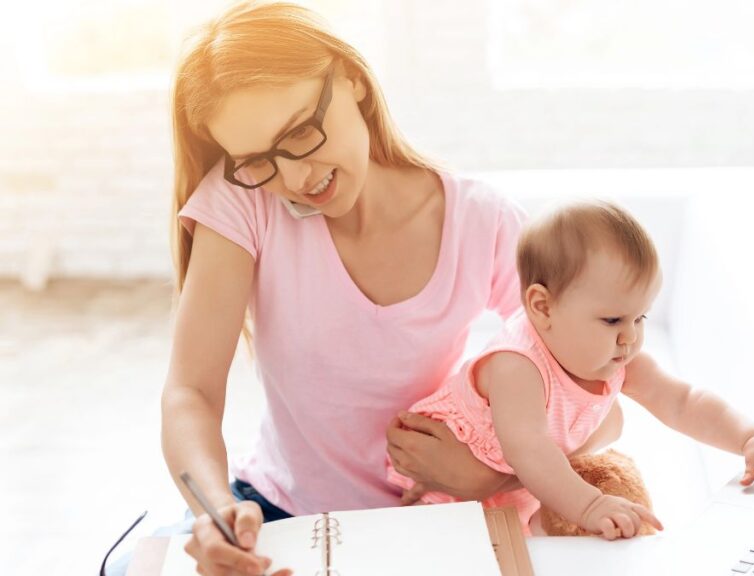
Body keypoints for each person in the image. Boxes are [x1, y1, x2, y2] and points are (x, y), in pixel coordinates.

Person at [103, 2, 625, 575]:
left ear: (350, 77)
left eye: (300, 132)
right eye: (259, 161)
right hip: (277, 513)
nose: (295, 179)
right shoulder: (241, 203)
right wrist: (214, 508)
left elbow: (603, 405)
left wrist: (495, 476)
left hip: (432, 517)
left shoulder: (482, 222)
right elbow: (191, 394)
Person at [386, 201, 754, 539]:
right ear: (543, 307)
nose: (630, 338)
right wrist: (591, 505)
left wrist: (751, 438)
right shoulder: (515, 366)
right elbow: (531, 451)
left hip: (522, 488)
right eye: (613, 320)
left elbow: (683, 401)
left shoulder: (616, 356)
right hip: (442, 490)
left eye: (641, 318)